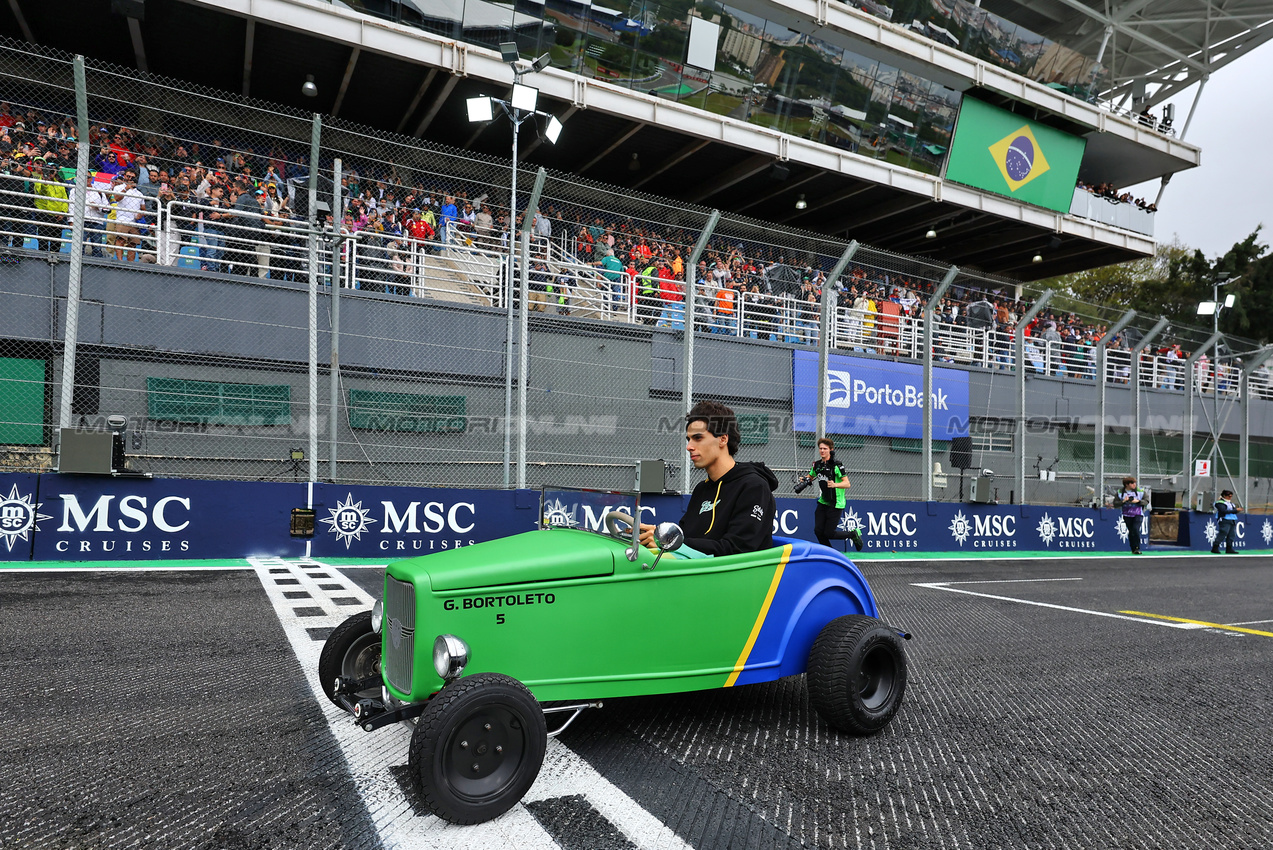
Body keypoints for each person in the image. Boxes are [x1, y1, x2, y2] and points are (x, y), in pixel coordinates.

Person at [639, 400, 777, 556]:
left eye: (698, 438)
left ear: (723, 439)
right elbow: (687, 541)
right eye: (688, 439)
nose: (689, 446)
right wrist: (659, 537)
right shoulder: (701, 489)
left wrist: (669, 541)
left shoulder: (754, 487)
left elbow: (736, 550)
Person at [802, 438, 863, 551]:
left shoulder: (837, 465)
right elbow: (811, 476)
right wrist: (804, 479)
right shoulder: (817, 465)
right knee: (818, 531)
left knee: (829, 533)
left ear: (831, 450)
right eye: (820, 448)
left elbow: (847, 483)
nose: (822, 451)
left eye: (825, 449)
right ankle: (828, 552)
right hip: (823, 501)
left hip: (836, 503)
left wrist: (834, 484)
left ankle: (853, 534)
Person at [1117, 476, 1146, 555]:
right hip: (1127, 515)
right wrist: (1124, 501)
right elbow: (1115, 503)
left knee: (1135, 529)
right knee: (1131, 531)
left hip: (1138, 514)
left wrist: (1138, 501)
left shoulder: (1141, 491)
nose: (1134, 484)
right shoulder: (1120, 492)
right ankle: (1133, 548)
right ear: (1127, 484)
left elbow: (1146, 501)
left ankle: (1137, 548)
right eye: (1132, 483)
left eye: (1135, 483)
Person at [1212, 489, 1241, 554]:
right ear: (1224, 495)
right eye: (1228, 496)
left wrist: (1237, 510)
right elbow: (1223, 511)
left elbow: (1232, 511)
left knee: (1232, 535)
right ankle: (1215, 547)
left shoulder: (1231, 503)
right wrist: (1235, 510)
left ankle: (1229, 548)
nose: (1230, 497)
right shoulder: (1219, 503)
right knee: (1223, 533)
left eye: (1231, 496)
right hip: (1224, 519)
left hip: (1232, 520)